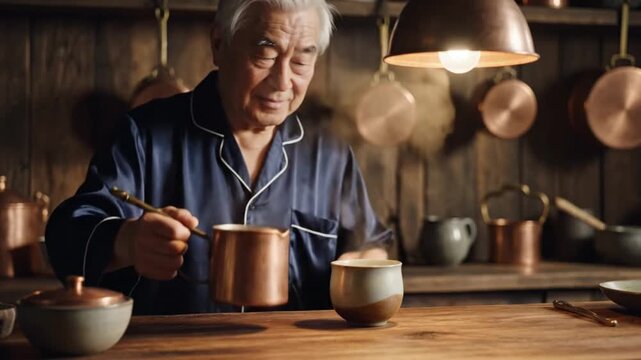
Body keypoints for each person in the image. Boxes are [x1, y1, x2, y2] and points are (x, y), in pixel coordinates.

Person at [45, 0, 393, 315]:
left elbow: (371, 245)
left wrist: (365, 262)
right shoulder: (145, 134)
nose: (282, 82)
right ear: (219, 44)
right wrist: (126, 241)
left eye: (302, 60)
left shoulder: (329, 151)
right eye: (265, 55)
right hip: (170, 353)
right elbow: (66, 238)